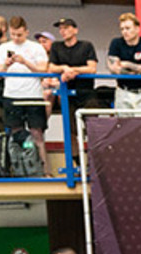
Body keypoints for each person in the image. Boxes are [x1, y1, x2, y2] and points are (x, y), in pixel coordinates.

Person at [0, 17, 50, 175]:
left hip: (33, 95)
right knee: (16, 134)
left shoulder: (36, 47)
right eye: (13, 34)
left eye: (19, 34)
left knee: (37, 133)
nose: (16, 38)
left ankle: (45, 171)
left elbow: (43, 71)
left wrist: (25, 62)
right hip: (12, 95)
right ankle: (19, 171)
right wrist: (6, 64)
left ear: (26, 32)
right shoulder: (3, 48)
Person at [49, 17, 97, 159]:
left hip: (86, 92)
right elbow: (51, 67)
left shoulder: (86, 45)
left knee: (93, 127)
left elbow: (92, 68)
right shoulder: (56, 47)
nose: (63, 31)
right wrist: (64, 68)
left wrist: (73, 71)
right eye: (61, 28)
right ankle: (75, 160)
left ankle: (94, 159)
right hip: (67, 94)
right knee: (70, 129)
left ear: (75, 30)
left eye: (66, 28)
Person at [107, 12, 141, 110]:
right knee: (122, 120)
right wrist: (140, 70)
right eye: (122, 29)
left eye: (128, 28)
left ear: (137, 29)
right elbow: (114, 68)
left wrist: (128, 65)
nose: (124, 32)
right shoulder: (116, 43)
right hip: (123, 91)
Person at [33, 31, 58, 118]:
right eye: (39, 42)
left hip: (57, 88)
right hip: (41, 89)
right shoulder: (36, 59)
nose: (41, 45)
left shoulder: (59, 57)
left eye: (44, 42)